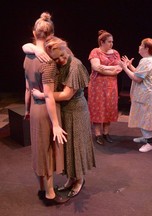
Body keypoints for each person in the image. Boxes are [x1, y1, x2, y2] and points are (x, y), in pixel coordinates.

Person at [24, 36, 97, 198]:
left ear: (67, 49)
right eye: (57, 58)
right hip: (63, 111)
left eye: (63, 55)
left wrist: (43, 95)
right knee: (67, 147)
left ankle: (79, 180)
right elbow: (26, 46)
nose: (62, 60)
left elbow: (66, 95)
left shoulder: (75, 66)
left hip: (76, 112)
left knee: (75, 146)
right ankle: (71, 178)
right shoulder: (54, 60)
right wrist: (34, 48)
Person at [23, 12, 68, 205]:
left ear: (34, 33)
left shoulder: (27, 56)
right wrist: (56, 124)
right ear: (51, 35)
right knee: (47, 150)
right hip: (45, 112)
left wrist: (26, 110)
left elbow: (27, 88)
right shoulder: (47, 63)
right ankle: (50, 194)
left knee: (38, 149)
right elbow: (49, 96)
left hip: (34, 109)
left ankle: (42, 189)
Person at [119, 38, 152, 153]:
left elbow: (137, 78)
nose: (139, 47)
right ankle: (146, 137)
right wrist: (130, 66)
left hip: (147, 96)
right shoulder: (148, 60)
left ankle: (150, 143)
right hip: (146, 95)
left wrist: (124, 68)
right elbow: (139, 73)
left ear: (146, 48)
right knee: (143, 118)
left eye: (141, 45)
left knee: (146, 118)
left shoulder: (147, 61)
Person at [88, 30, 122, 145]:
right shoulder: (95, 52)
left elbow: (119, 69)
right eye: (109, 42)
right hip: (97, 85)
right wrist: (111, 69)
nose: (111, 44)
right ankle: (98, 134)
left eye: (112, 42)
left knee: (109, 107)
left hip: (111, 86)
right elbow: (96, 67)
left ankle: (106, 133)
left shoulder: (115, 53)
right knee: (98, 108)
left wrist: (105, 69)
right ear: (102, 42)